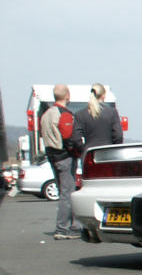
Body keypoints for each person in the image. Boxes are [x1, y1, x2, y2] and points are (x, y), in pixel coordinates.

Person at [39, 84, 83, 239]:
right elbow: (68, 137)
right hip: (64, 157)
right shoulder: (63, 114)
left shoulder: (46, 114)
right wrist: (79, 150)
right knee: (68, 193)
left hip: (52, 155)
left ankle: (66, 227)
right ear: (67, 95)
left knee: (63, 191)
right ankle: (66, 228)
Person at [73, 83, 123, 163]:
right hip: (108, 154)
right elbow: (118, 136)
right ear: (103, 95)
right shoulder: (112, 113)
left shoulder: (80, 114)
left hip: (88, 155)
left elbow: (76, 139)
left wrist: (84, 150)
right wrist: (113, 149)